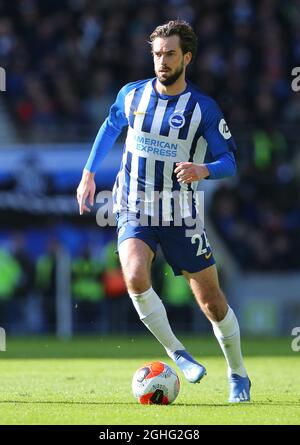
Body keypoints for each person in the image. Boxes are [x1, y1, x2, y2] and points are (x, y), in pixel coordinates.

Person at [77, 20, 251, 403]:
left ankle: (238, 373)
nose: (162, 60)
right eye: (157, 53)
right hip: (133, 206)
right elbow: (110, 127)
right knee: (136, 276)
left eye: (170, 53)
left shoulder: (202, 108)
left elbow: (230, 161)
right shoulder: (132, 95)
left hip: (180, 212)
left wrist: (204, 169)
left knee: (212, 301)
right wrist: (89, 173)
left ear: (186, 57)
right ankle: (177, 352)